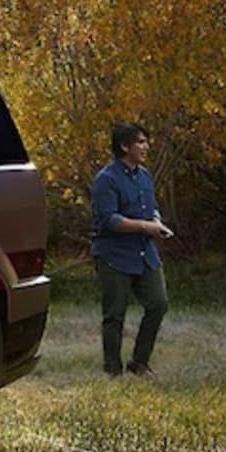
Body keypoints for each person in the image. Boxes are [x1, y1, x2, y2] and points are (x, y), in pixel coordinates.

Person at [90, 121, 173, 376]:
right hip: (114, 256)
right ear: (125, 146)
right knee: (115, 315)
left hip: (144, 254)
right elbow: (109, 220)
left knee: (159, 303)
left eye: (146, 141)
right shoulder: (106, 179)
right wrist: (146, 227)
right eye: (141, 142)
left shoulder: (145, 175)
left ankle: (139, 362)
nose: (146, 146)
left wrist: (157, 223)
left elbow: (151, 207)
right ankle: (113, 370)